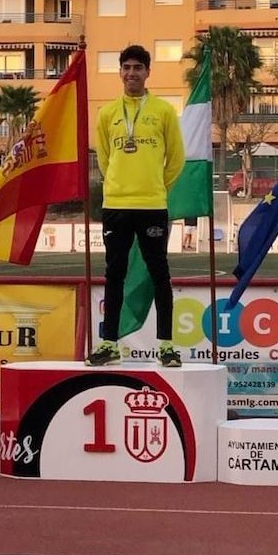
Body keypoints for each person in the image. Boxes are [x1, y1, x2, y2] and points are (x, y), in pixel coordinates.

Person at [88, 44, 186, 367]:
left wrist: (156, 187)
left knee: (160, 273)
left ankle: (167, 345)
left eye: (137, 68)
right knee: (114, 274)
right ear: (120, 72)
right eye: (126, 67)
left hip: (152, 205)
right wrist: (118, 184)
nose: (131, 73)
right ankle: (110, 343)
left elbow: (176, 159)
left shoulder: (163, 111)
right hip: (116, 204)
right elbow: (104, 158)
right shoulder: (107, 114)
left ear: (148, 72)